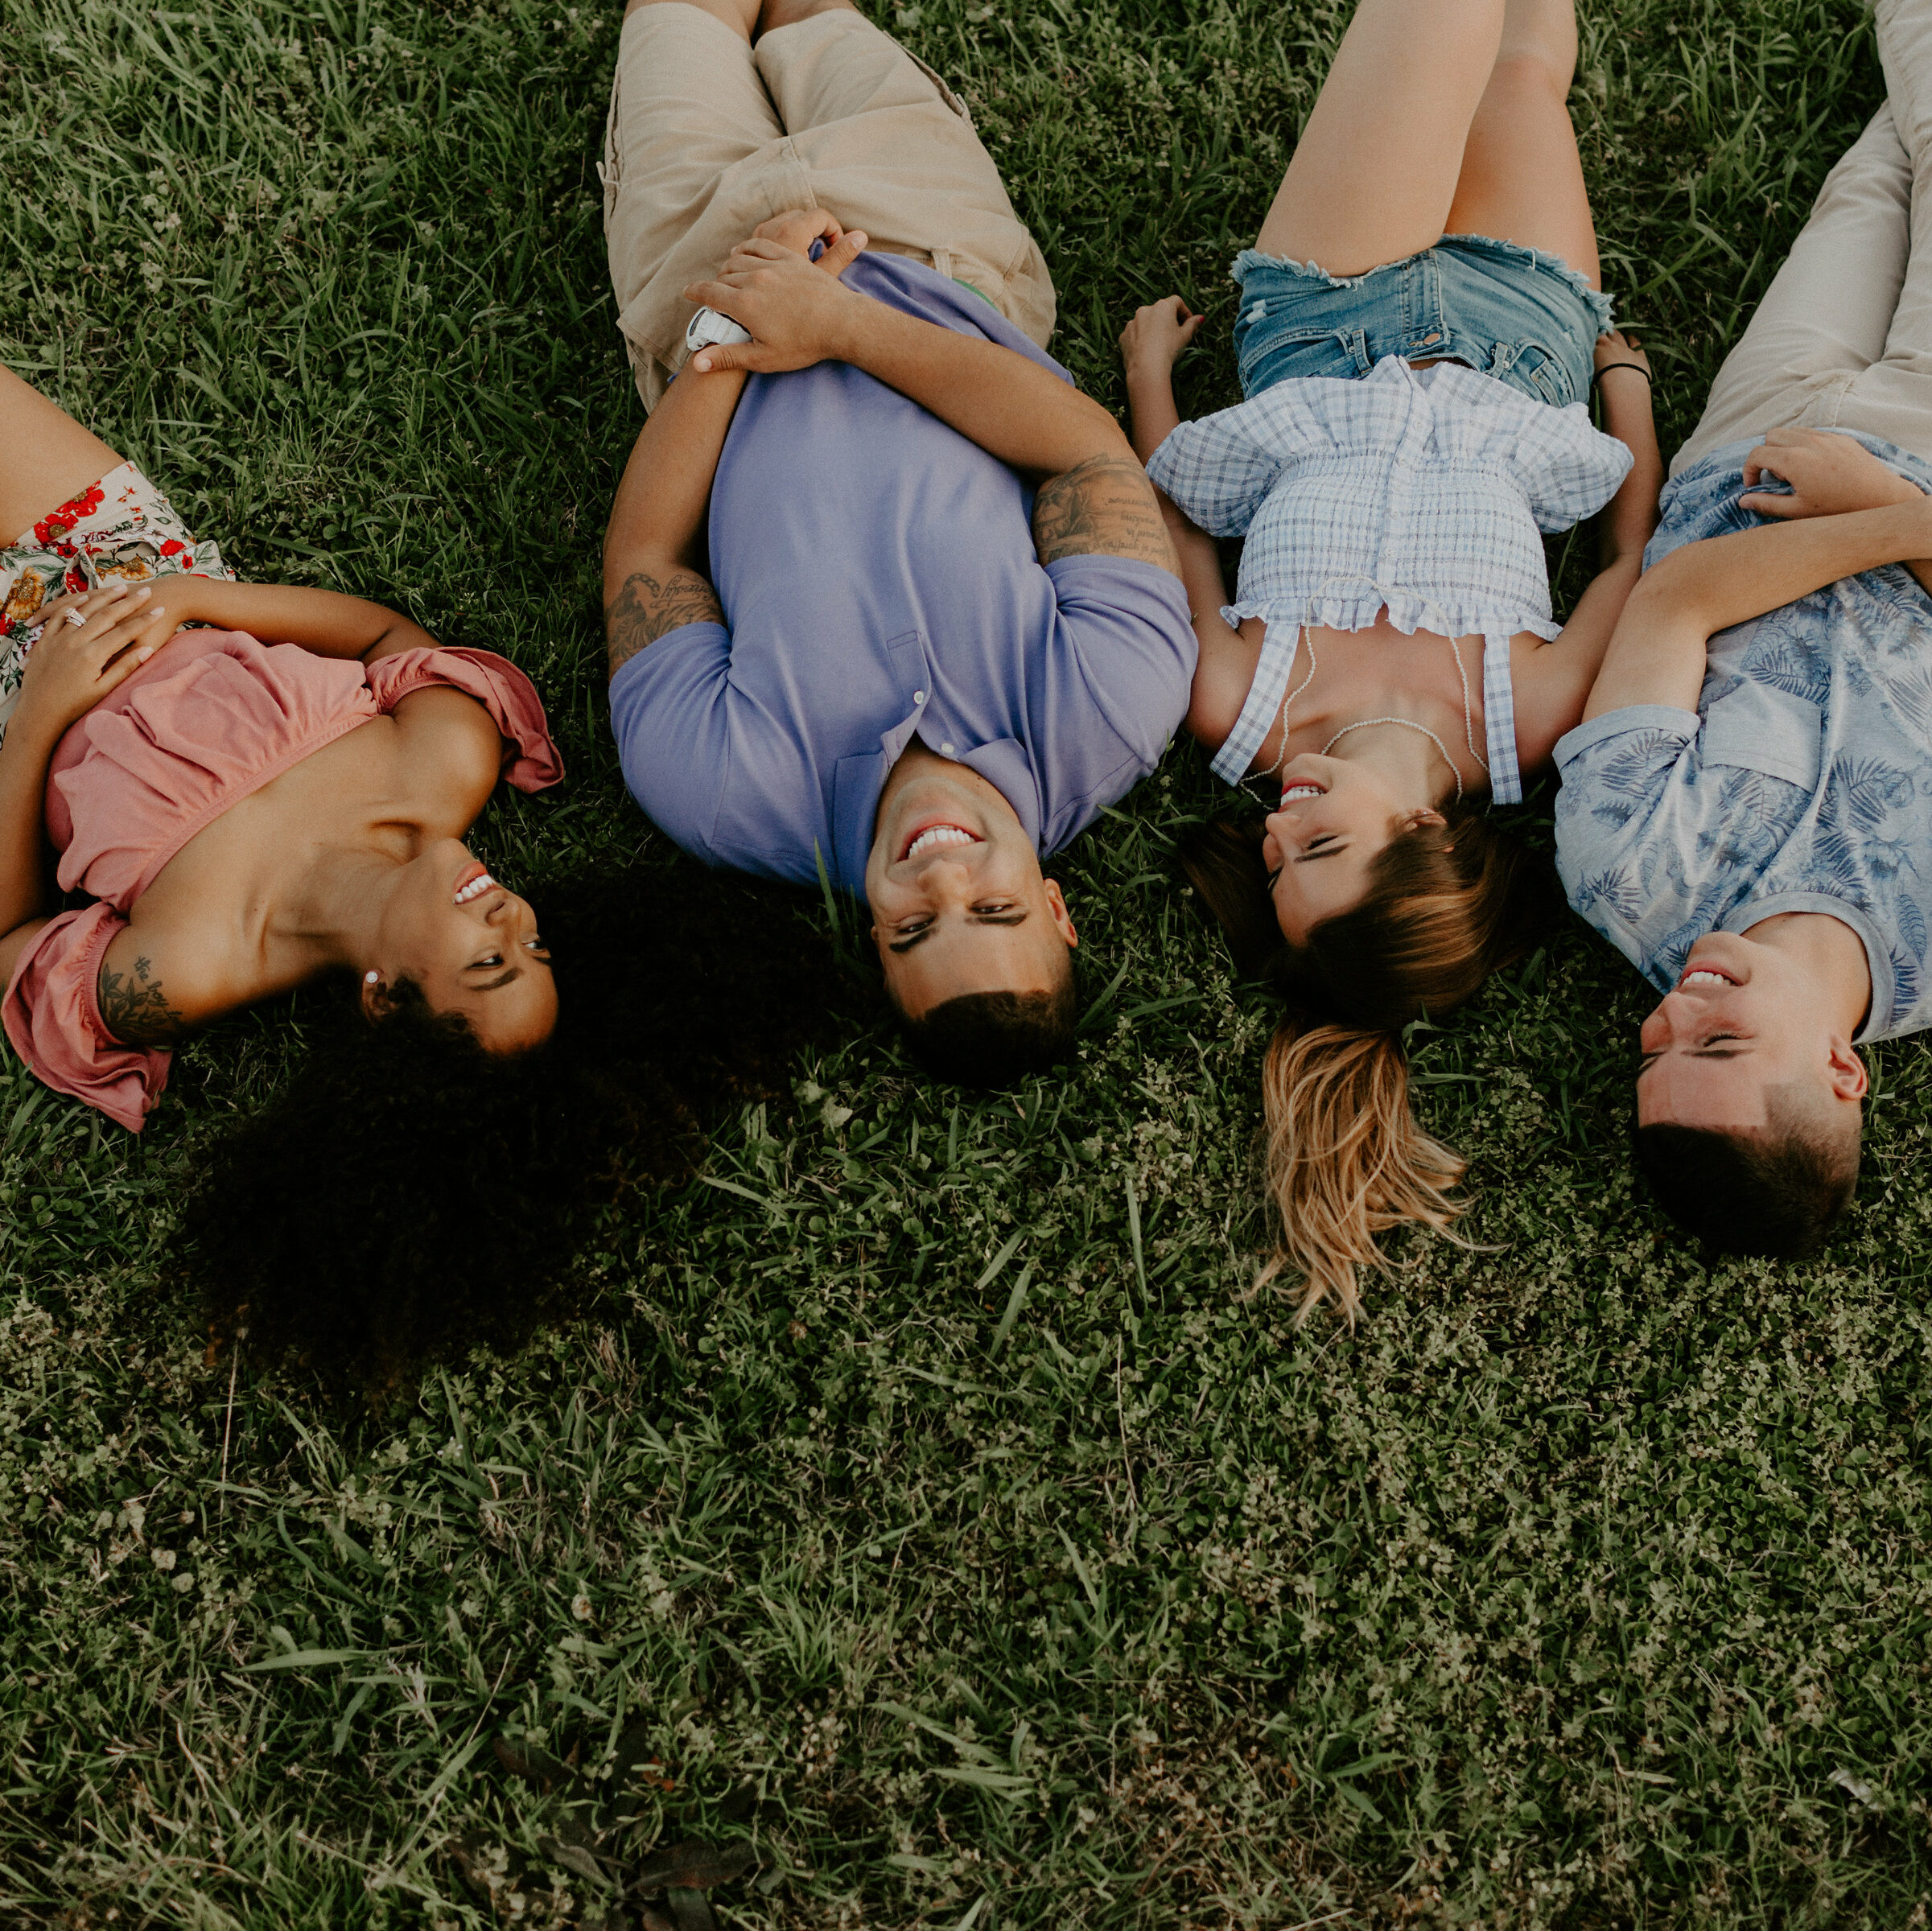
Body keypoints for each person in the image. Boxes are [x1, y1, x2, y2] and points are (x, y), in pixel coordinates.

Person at [0, 369, 845, 1400]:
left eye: (490, 961)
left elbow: (10, 938)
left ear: (384, 997)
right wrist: (193, 597)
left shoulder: (193, 965)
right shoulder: (448, 764)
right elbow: (383, 637)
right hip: (125, 564)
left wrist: (40, 717)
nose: (515, 916)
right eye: (535, 945)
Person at [1113, 0, 1663, 1320]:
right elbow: (1623, 575)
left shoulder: (1238, 713)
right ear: (1419, 828)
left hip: (1329, 313)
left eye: (1273, 869)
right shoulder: (1518, 721)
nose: (1271, 838)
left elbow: (1173, 527)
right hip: (1530, 344)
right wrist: (1629, 392)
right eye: (1320, 854)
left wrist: (1149, 384)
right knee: (1528, 55)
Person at [596, 0, 1198, 1086]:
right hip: (932, 245)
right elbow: (1084, 455)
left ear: (872, 946)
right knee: (813, 16)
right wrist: (838, 325)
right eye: (996, 907)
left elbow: (647, 562)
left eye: (917, 930)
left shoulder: (723, 797)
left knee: (683, 14)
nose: (941, 880)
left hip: (705, 277)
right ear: (1056, 908)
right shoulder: (1116, 707)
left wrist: (738, 322)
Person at [1554, 0, 1932, 1259]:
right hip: (1923, 456)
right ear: (1841, 1070)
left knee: (1870, 184)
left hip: (1748, 446)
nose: (1680, 1005)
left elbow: (1673, 600)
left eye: (1657, 1045)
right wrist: (1888, 509)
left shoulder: (1623, 874)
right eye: (1719, 1040)